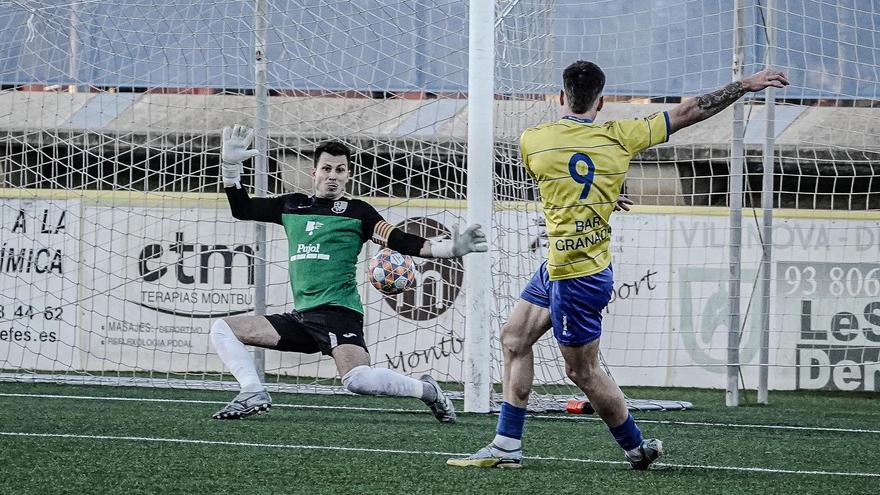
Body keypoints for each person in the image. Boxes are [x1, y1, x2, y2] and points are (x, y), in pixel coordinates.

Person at [447, 61, 789, 469]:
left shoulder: (534, 139)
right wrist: (745, 84)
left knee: (583, 373)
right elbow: (690, 111)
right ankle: (507, 446)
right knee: (514, 339)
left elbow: (558, 177)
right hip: (562, 266)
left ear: (561, 97)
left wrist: (597, 194)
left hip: (577, 275)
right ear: (602, 101)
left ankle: (636, 448)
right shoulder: (621, 136)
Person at [210, 126, 488, 422]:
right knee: (224, 328)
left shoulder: (359, 213)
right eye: (326, 168)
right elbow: (242, 208)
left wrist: (450, 249)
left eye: (340, 170)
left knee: (358, 381)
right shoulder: (291, 205)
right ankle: (252, 391)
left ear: (348, 175)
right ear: (314, 172)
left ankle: (428, 391)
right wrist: (231, 169)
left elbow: (400, 241)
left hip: (338, 312)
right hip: (301, 318)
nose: (333, 175)